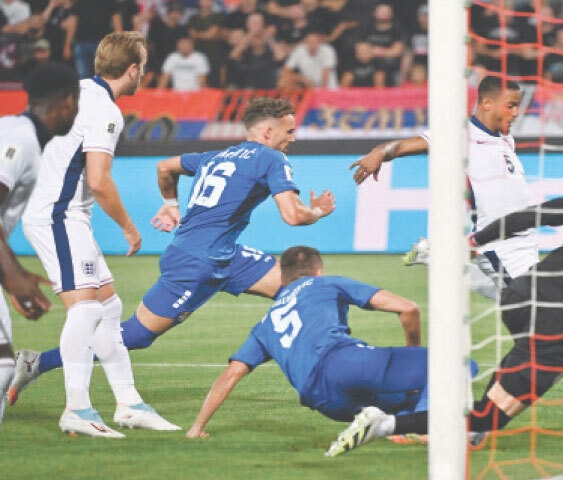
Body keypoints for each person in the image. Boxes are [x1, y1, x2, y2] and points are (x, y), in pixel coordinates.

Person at [325, 163, 563, 456]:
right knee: (493, 416)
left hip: (521, 296)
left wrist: (472, 241)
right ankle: (385, 424)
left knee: (491, 409)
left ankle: (467, 431)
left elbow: (535, 214)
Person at [9, 97, 336, 412]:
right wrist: (318, 212)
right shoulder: (272, 159)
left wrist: (171, 204)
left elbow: (165, 166)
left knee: (299, 289)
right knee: (135, 336)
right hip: (196, 264)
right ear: (267, 133)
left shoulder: (217, 156)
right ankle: (36, 363)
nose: (293, 138)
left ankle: (330, 366)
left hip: (224, 255)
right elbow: (293, 216)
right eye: (289, 131)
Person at [350, 75, 563, 395]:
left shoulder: (504, 140)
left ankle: (437, 257)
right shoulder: (460, 135)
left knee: (548, 310)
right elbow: (410, 145)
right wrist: (379, 152)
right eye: (510, 105)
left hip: (523, 239)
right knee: (560, 316)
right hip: (498, 246)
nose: (515, 112)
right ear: (486, 103)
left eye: (518, 106)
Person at [16, 31, 179, 438]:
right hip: (58, 215)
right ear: (134, 70)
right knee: (86, 310)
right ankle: (77, 409)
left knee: (107, 307)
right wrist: (129, 228)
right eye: (143, 65)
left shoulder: (78, 90)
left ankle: (129, 404)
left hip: (62, 213)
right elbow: (100, 181)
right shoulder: (106, 111)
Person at [185, 245, 426, 445]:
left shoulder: (266, 323)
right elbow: (408, 308)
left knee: (406, 398)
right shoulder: (327, 284)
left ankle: (399, 428)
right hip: (340, 362)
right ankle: (423, 430)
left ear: (281, 279)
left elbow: (231, 374)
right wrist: (412, 356)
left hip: (324, 401)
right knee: (438, 367)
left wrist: (197, 426)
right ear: (318, 271)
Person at [0, 63, 80, 427]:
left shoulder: (20, 134)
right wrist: (14, 275)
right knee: (3, 367)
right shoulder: (18, 139)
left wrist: (9, 277)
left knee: (4, 366)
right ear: (64, 102)